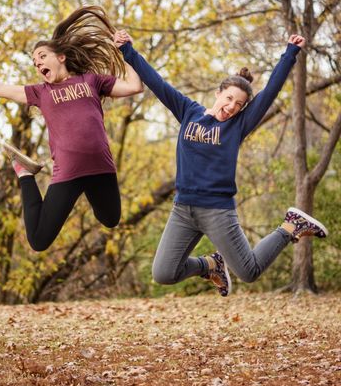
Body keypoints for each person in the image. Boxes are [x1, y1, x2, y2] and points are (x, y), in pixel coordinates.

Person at [113, 30, 328, 297]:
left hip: (217, 211)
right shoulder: (188, 110)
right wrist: (127, 51)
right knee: (164, 273)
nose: (231, 107)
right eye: (228, 99)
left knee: (249, 272)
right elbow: (157, 83)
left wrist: (289, 54)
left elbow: (270, 91)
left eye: (238, 104)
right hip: (182, 210)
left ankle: (290, 226)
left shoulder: (238, 126)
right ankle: (210, 265)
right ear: (218, 93)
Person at [0, 6, 143, 252]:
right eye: (34, 61)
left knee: (111, 219)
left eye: (41, 56)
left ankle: (63, 182)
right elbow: (2, 89)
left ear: (60, 57)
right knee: (39, 240)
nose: (37, 63)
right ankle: (25, 173)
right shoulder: (41, 92)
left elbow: (135, 86)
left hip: (100, 168)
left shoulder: (91, 80)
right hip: (69, 172)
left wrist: (126, 51)